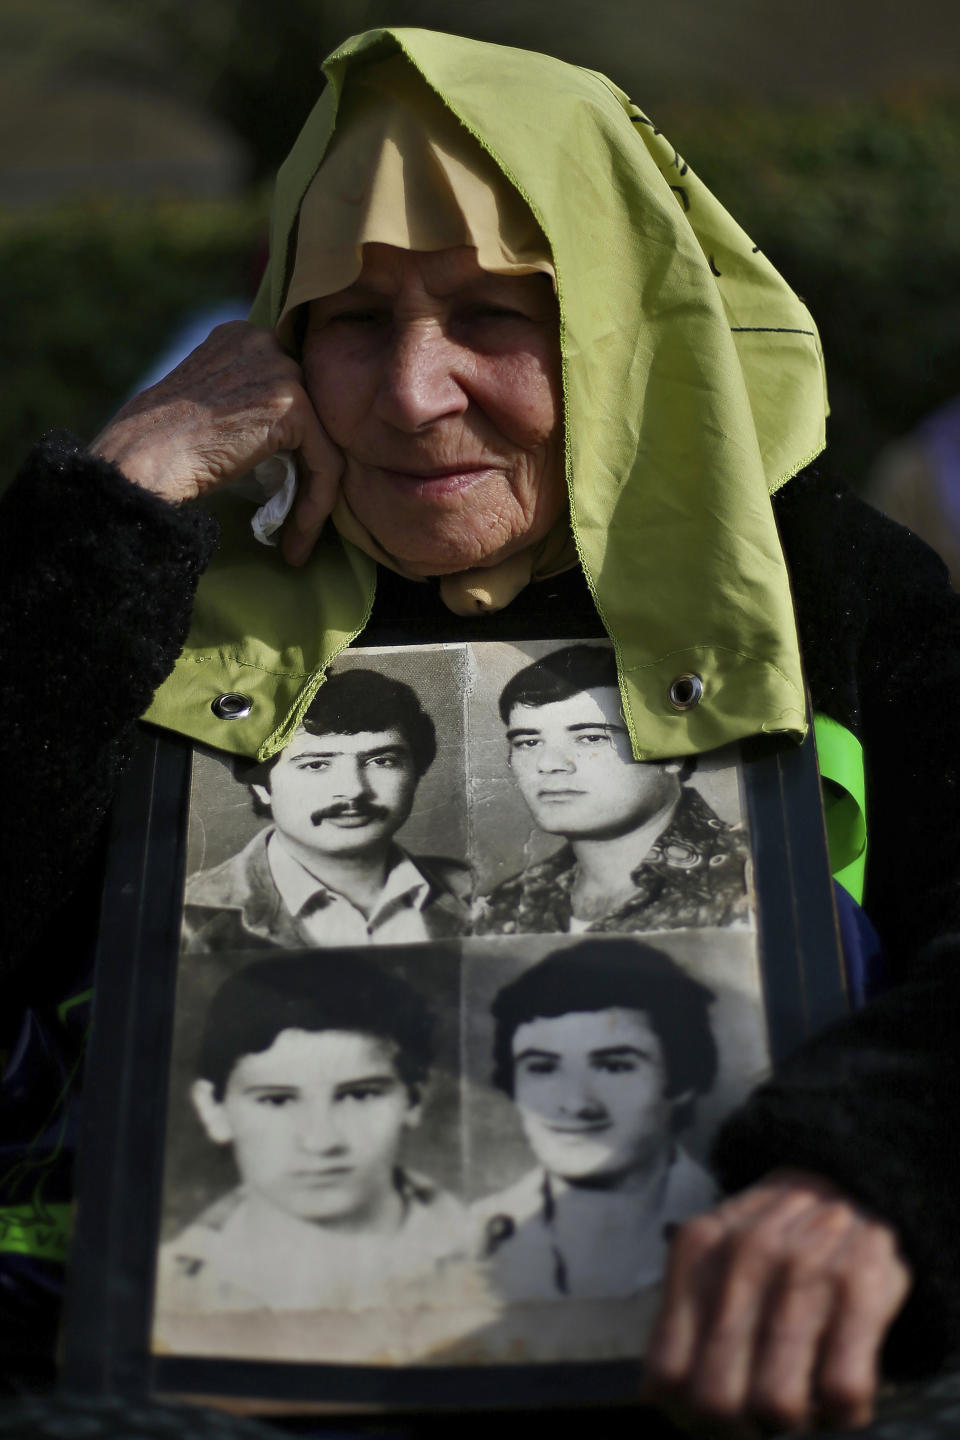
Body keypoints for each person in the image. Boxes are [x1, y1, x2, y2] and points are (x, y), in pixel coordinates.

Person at [4, 26, 960, 1430]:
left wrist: (876, 1173)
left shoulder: (829, 589)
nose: (411, 394)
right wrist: (115, 501)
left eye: (496, 316)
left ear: (624, 321)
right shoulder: (164, 587)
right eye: (355, 318)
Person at [155, 952, 466, 1321]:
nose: (321, 1141)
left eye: (360, 1094)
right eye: (277, 1100)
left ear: (415, 1097)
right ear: (213, 1109)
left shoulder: (507, 1257)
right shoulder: (160, 1294)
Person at [473, 942, 718, 1301]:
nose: (575, 1104)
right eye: (542, 1068)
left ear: (682, 1081)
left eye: (614, 1066)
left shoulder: (739, 1221)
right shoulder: (462, 1238)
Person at [181, 668, 470, 949]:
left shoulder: (474, 892)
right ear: (261, 785)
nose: (354, 790)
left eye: (382, 761)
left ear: (416, 772)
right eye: (316, 765)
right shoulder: (189, 914)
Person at [473, 644, 748, 935]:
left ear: (672, 754)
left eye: (591, 738)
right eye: (528, 742)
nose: (549, 764)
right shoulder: (507, 904)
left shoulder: (750, 874)